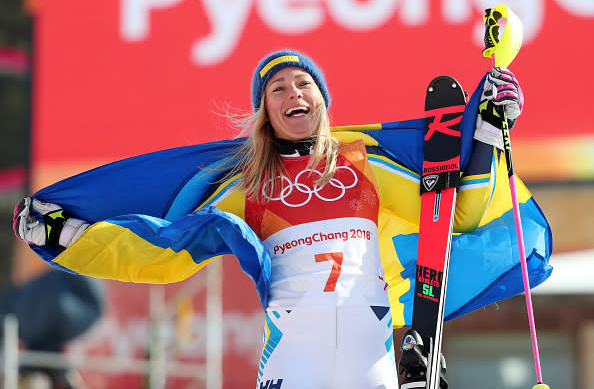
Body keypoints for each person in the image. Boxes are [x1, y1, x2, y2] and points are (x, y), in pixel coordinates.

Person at [13, 50, 534, 388]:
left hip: (369, 357)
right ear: (265, 111)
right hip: (292, 359)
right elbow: (164, 250)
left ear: (322, 100)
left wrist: (488, 133)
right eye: (277, 89)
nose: (292, 94)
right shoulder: (245, 185)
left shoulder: (365, 163)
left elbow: (455, 215)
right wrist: (67, 236)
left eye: (302, 83)